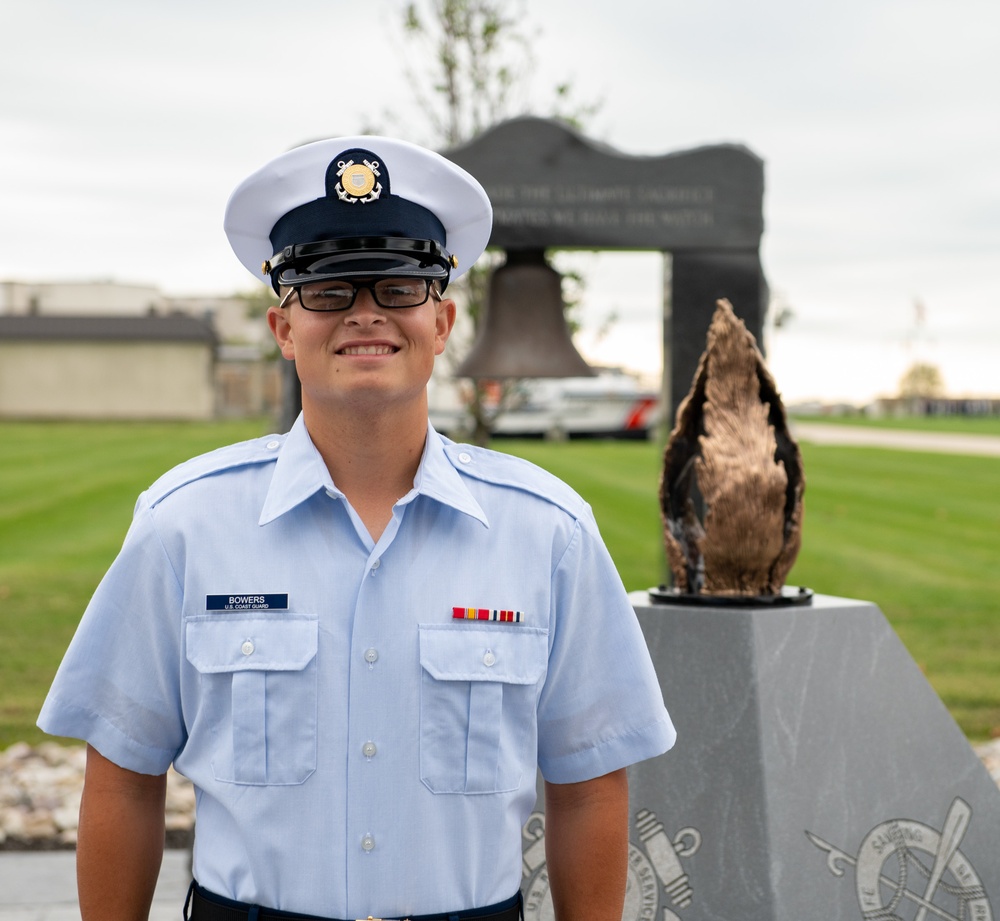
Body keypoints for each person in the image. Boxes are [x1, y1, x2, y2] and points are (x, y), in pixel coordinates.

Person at [39, 136, 676, 921]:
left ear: (441, 322)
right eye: (329, 289)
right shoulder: (184, 526)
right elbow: (123, 778)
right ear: (282, 327)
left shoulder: (547, 534)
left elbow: (588, 785)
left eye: (400, 287)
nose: (367, 313)